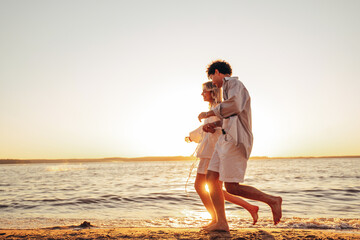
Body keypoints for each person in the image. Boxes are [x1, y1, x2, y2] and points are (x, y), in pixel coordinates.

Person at [198, 60, 282, 232]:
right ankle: (222, 222)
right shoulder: (227, 90)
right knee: (211, 179)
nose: (213, 82)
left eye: (212, 77)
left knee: (232, 187)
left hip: (235, 142)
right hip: (224, 140)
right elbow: (232, 117)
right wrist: (214, 125)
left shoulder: (234, 84)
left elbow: (235, 106)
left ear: (217, 72)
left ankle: (273, 200)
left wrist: (210, 113)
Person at [186, 81, 259, 227]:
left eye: (204, 91)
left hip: (213, 151)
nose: (202, 94)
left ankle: (217, 220)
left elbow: (226, 126)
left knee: (204, 186)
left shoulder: (220, 108)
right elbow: (206, 127)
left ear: (212, 92)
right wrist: (193, 135)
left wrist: (211, 129)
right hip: (209, 151)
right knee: (213, 188)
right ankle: (244, 209)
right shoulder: (213, 109)